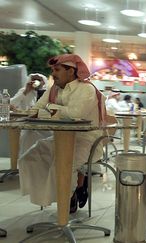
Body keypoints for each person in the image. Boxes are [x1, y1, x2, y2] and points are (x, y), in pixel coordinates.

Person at [18, 54, 107, 213]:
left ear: (71, 71)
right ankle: (56, 196)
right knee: (29, 158)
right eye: (52, 69)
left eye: (57, 69)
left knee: (60, 166)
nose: (53, 73)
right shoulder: (54, 90)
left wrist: (49, 109)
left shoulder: (86, 89)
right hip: (59, 138)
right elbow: (35, 110)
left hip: (86, 141)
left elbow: (75, 114)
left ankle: (68, 198)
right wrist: (51, 110)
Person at [10, 73, 51, 156]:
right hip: (27, 123)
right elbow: (11, 104)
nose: (36, 81)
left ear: (44, 82)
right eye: (34, 79)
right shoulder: (24, 91)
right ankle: (24, 159)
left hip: (45, 124)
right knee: (28, 134)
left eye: (39, 80)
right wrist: (26, 91)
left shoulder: (47, 92)